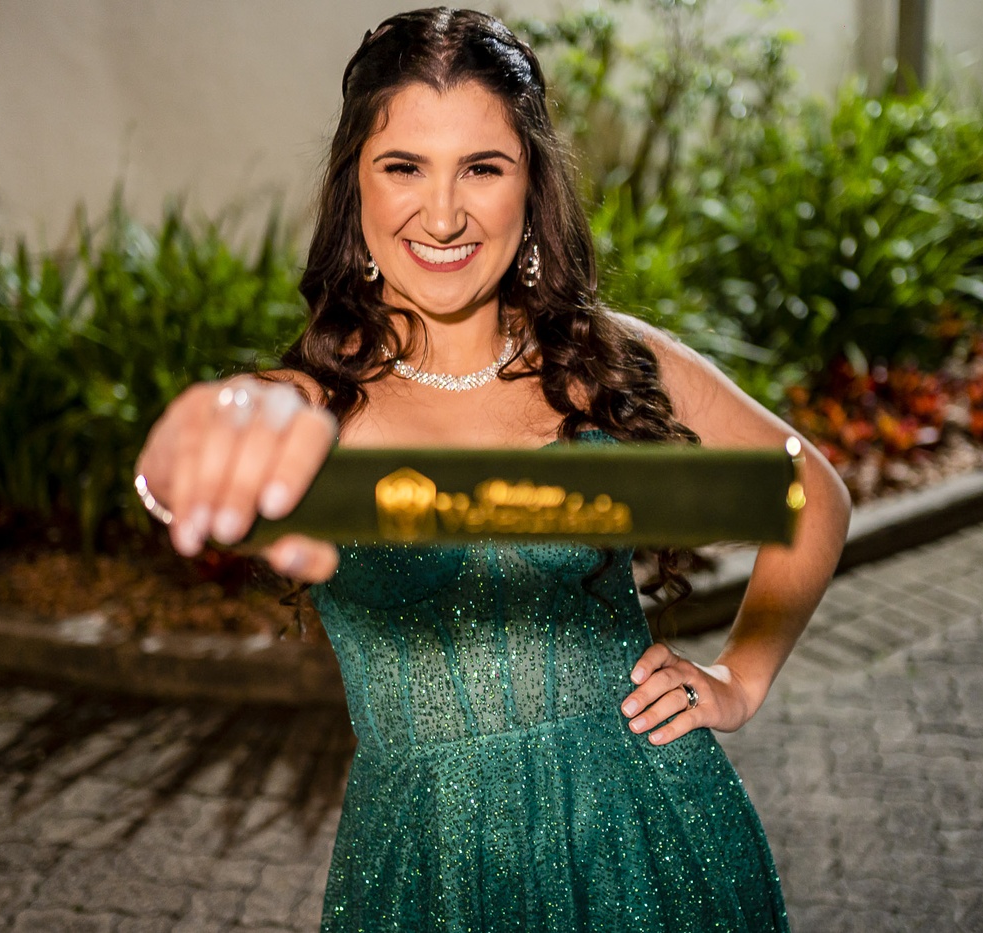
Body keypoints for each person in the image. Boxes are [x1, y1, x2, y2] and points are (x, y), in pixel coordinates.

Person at [136, 8, 850, 931]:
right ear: (355, 187)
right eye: (404, 167)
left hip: (652, 842)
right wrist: (194, 449)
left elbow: (811, 492)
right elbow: (204, 454)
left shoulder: (609, 361)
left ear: (531, 185)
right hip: (431, 874)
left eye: (482, 167)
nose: (442, 215)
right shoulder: (313, 404)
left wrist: (740, 674)